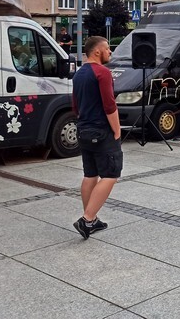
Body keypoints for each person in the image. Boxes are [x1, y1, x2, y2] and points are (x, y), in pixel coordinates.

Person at [71, 36, 122, 238]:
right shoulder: (102, 72)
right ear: (97, 51)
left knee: (90, 174)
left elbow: (75, 105)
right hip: (102, 131)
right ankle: (88, 219)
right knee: (110, 174)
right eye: (108, 49)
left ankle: (91, 218)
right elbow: (109, 105)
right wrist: (117, 130)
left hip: (83, 129)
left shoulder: (79, 74)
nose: (110, 52)